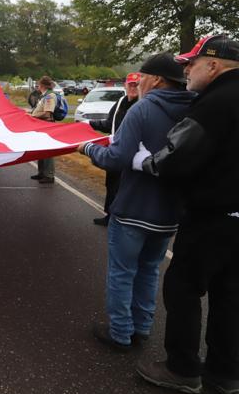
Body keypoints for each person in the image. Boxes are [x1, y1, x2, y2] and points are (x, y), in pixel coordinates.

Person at [131, 35, 239, 394]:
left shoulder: (215, 103)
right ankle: (226, 372)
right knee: (231, 294)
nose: (186, 70)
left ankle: (182, 369)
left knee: (183, 288)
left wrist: (143, 161)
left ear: (213, 65)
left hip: (212, 213)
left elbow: (176, 157)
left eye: (191, 63)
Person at [78, 53, 194, 351]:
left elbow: (117, 159)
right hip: (169, 212)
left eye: (141, 76)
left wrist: (89, 149)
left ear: (156, 79)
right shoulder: (195, 108)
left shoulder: (142, 109)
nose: (137, 82)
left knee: (122, 272)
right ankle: (141, 327)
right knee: (149, 271)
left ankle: (120, 333)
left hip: (133, 208)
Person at [88, 72, 141, 226]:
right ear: (125, 85)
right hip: (115, 151)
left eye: (136, 85)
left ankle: (123, 219)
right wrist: (89, 124)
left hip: (133, 153)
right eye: (130, 84)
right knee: (111, 185)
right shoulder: (120, 102)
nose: (133, 88)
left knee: (126, 187)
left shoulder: (142, 104)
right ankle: (110, 215)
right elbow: (108, 124)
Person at [30, 76, 58, 184]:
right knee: (41, 150)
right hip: (41, 125)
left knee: (48, 151)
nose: (37, 86)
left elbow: (47, 113)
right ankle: (41, 173)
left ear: (42, 85)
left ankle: (49, 175)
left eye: (38, 84)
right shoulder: (44, 96)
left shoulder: (50, 96)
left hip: (47, 125)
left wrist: (33, 117)